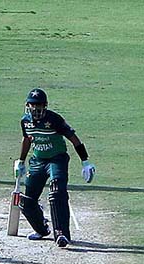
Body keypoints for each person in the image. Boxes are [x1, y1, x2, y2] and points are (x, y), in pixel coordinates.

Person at [14, 88, 96, 247]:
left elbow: (74, 139)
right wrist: (21, 161)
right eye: (32, 105)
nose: (36, 109)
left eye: (39, 106)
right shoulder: (25, 121)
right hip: (37, 160)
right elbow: (27, 139)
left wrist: (85, 161)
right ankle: (41, 229)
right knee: (27, 200)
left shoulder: (54, 119)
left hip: (57, 159)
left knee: (57, 190)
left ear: (45, 106)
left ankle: (61, 233)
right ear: (27, 105)